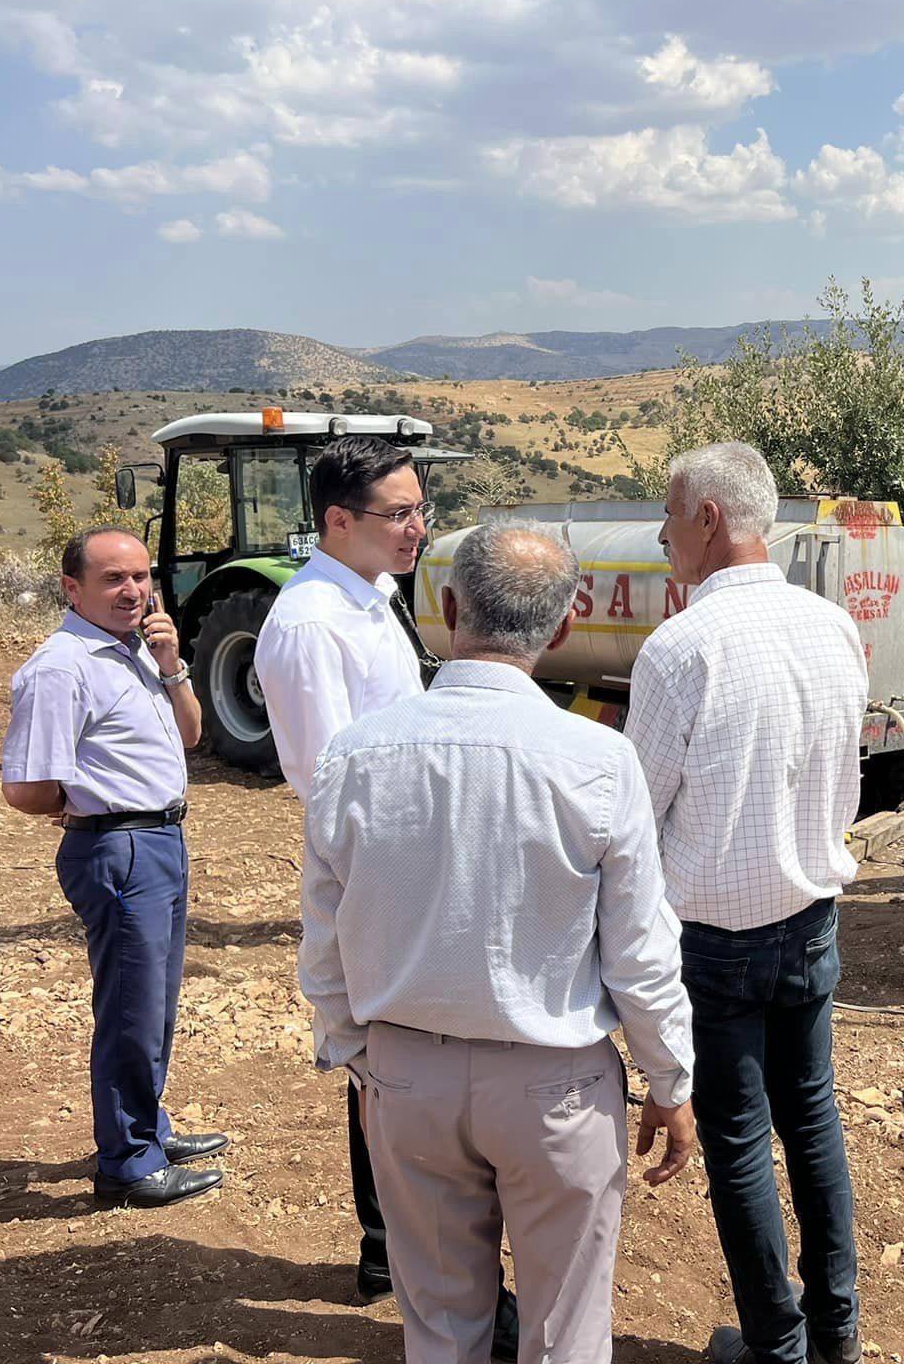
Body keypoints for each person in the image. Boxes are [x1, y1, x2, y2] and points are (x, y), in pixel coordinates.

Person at [301, 525, 698, 1364]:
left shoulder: (356, 754)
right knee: (567, 1330)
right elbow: (639, 950)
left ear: (447, 610)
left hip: (406, 1072)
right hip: (554, 1083)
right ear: (561, 627)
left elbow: (326, 933)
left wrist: (354, 1053)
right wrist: (668, 1078)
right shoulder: (598, 759)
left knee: (440, 1329)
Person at [252, 436, 521, 1357]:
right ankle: (400, 1252)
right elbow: (329, 776)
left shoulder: (369, 599)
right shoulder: (309, 623)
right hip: (378, 864)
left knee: (411, 1051)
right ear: (337, 521)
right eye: (397, 514)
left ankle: (397, 1251)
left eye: (419, 511)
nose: (416, 529)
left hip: (417, 853)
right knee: (384, 1054)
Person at [624, 442, 869, 1364]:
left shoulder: (681, 647)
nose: (660, 533)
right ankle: (835, 1334)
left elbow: (634, 810)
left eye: (670, 515)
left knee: (737, 1143)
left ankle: (777, 1346)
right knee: (811, 1121)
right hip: (811, 921)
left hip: (714, 942)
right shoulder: (831, 624)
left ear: (710, 521)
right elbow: (844, 781)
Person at [0, 526, 228, 1207]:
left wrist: (173, 664)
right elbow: (26, 787)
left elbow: (190, 737)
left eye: (140, 576)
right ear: (72, 589)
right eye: (113, 579)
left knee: (152, 1005)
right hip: (119, 845)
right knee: (130, 1009)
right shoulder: (62, 666)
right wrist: (89, 809)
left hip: (157, 840)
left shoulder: (132, 652)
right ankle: (128, 1162)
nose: (133, 591)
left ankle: (148, 1129)